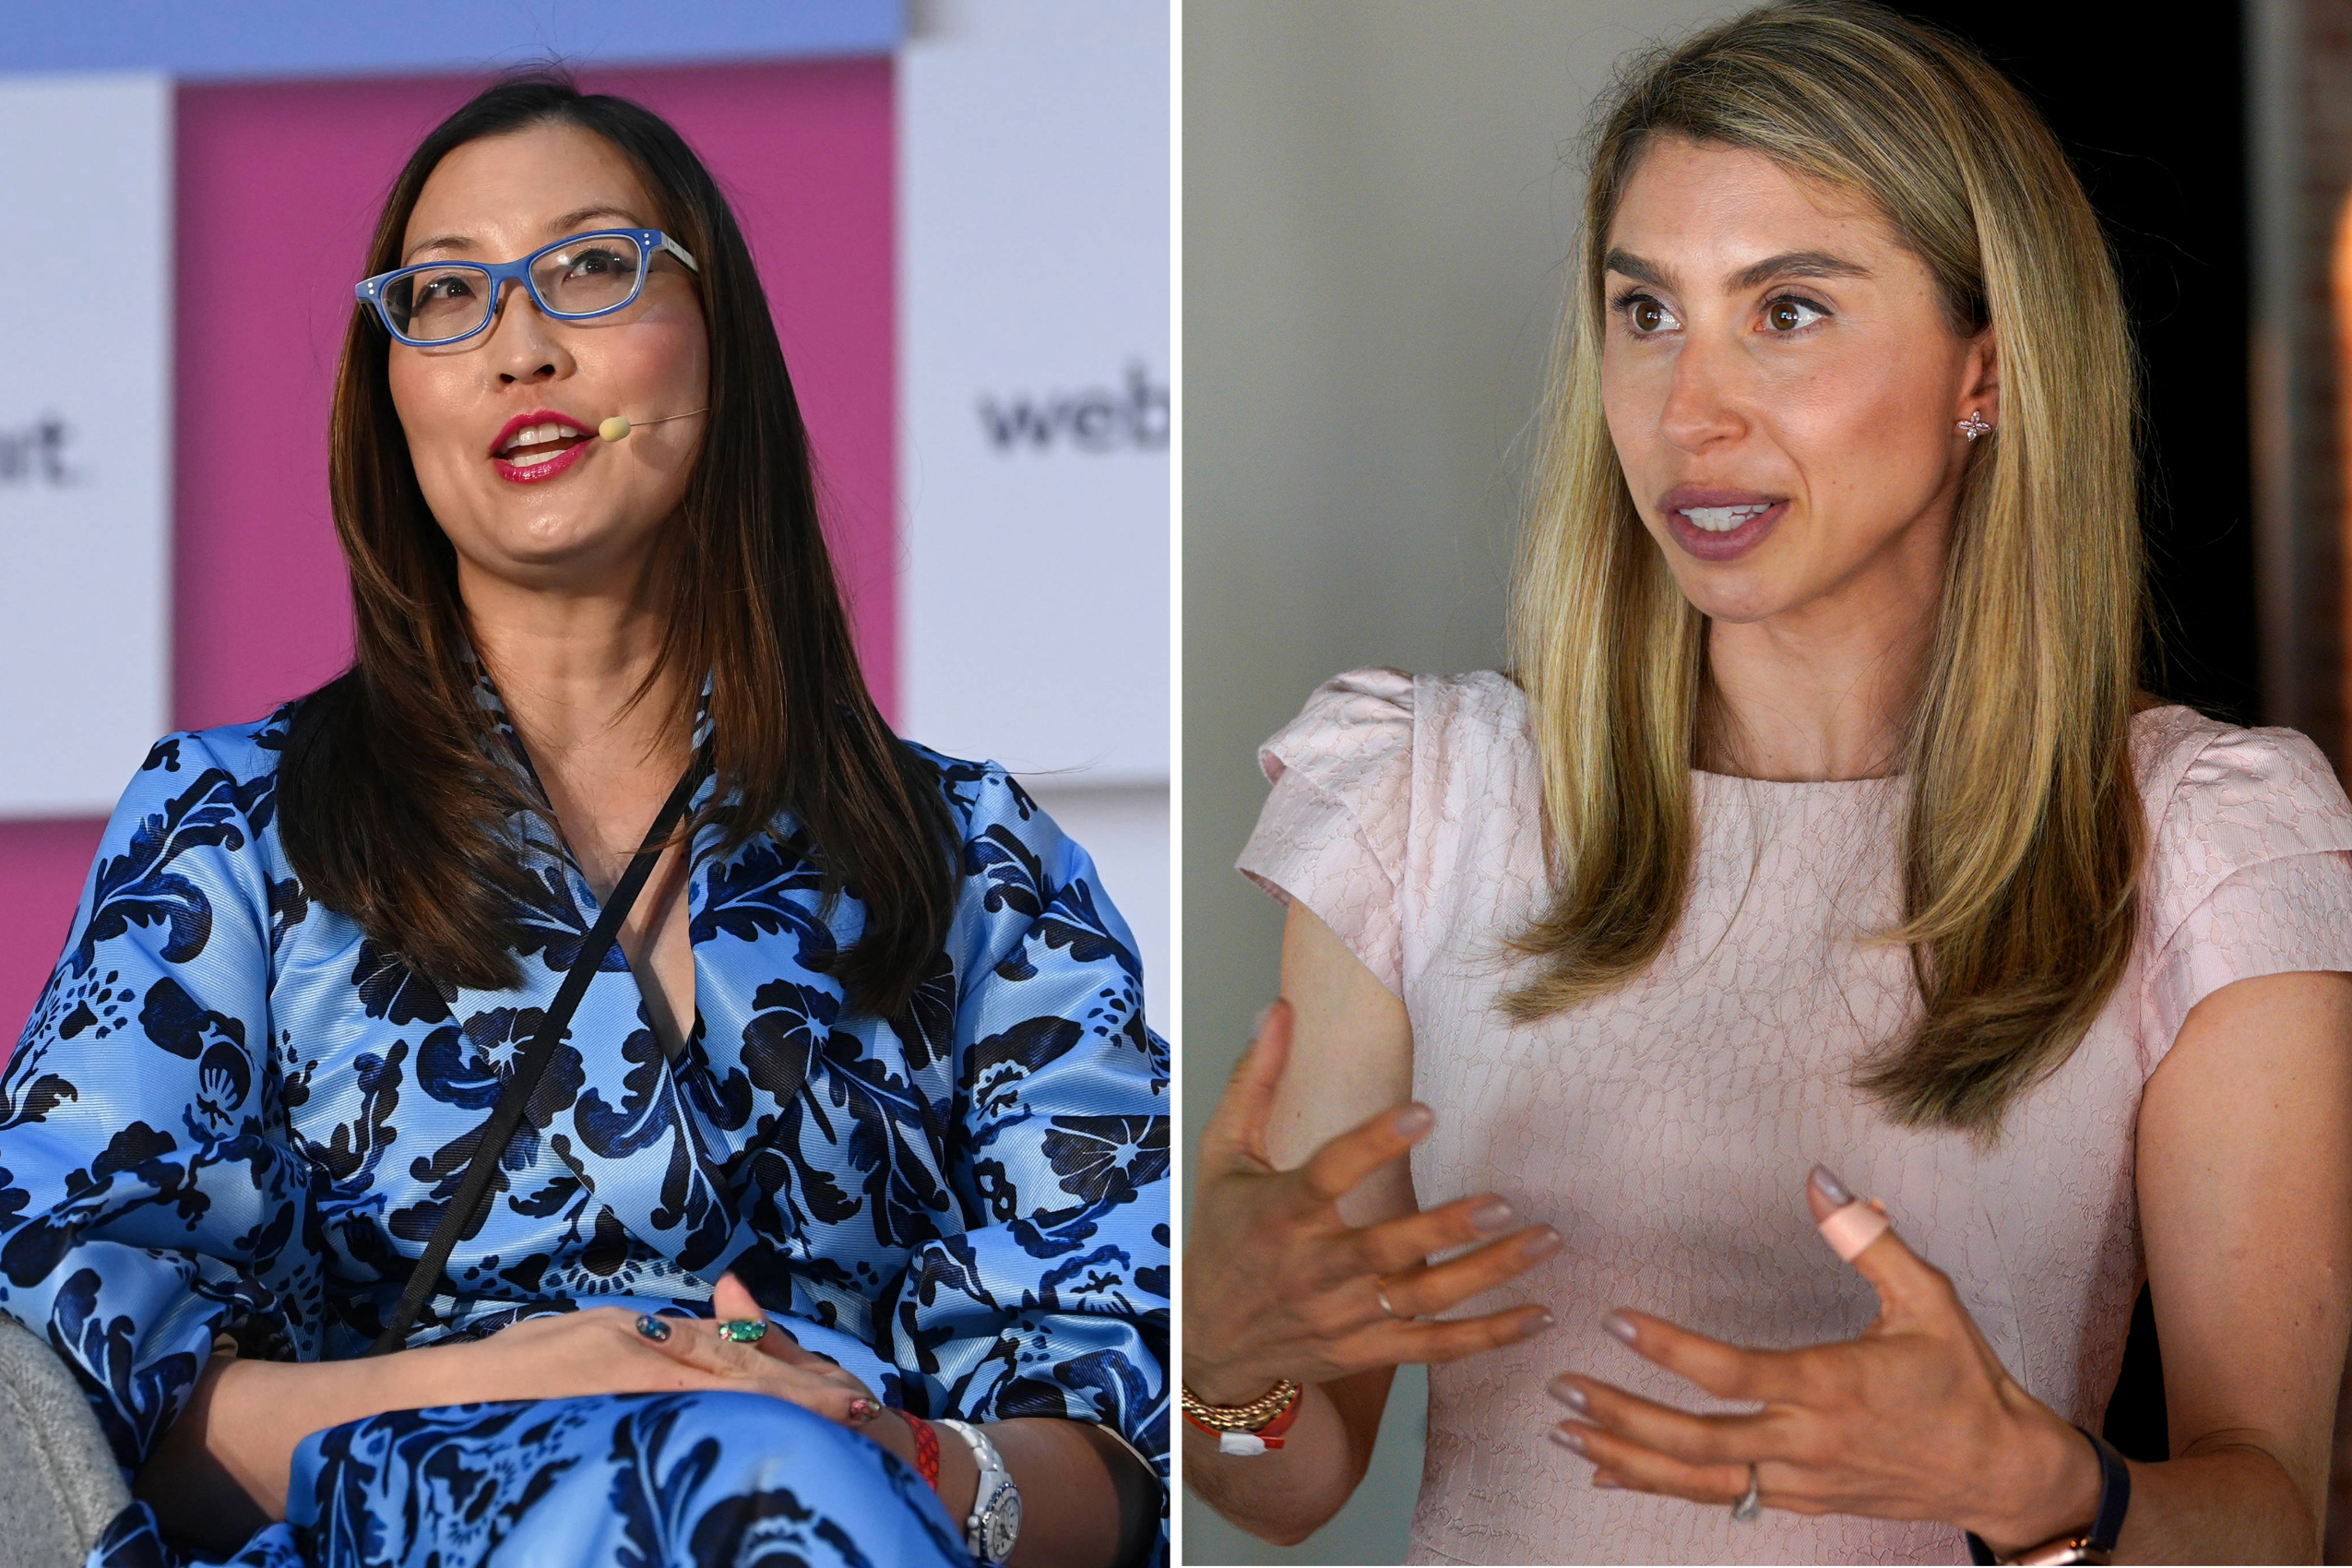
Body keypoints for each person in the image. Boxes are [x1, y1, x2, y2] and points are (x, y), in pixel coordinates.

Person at [1183, 3, 2352, 1562]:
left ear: (1984, 371)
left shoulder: (2200, 841)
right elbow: (1293, 1479)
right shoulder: (1420, 793)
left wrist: (2043, 1491)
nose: (1686, 413)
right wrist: (1225, 1355)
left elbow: (2269, 1517)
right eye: (1645, 311)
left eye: (1787, 310)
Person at [0, 74, 1166, 1568]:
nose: (520, 348)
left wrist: (917, 1460)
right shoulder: (229, 830)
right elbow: (71, 1399)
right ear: (393, 395)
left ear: (718, 339)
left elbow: (1123, 1429)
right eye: (445, 296)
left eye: (592, 267)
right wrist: (523, 1387)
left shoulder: (979, 860)